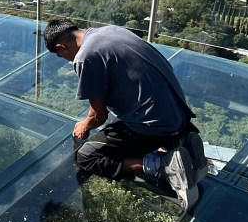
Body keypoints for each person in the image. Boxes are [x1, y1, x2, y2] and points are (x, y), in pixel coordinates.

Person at [43, 19, 206, 211]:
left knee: (87, 156)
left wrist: (85, 124)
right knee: (124, 122)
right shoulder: (111, 31)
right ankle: (185, 141)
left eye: (62, 56)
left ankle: (166, 165)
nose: (67, 59)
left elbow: (99, 116)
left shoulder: (85, 57)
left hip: (155, 124)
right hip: (178, 112)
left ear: (61, 47)